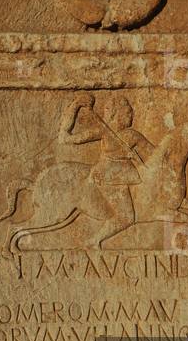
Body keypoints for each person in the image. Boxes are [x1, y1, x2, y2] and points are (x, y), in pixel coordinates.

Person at [59, 93, 154, 245]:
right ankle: (93, 241)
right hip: (107, 177)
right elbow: (64, 138)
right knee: (126, 217)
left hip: (127, 177)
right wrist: (75, 106)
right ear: (117, 113)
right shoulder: (102, 131)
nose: (131, 115)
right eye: (128, 112)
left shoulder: (132, 135)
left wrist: (136, 157)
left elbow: (154, 155)